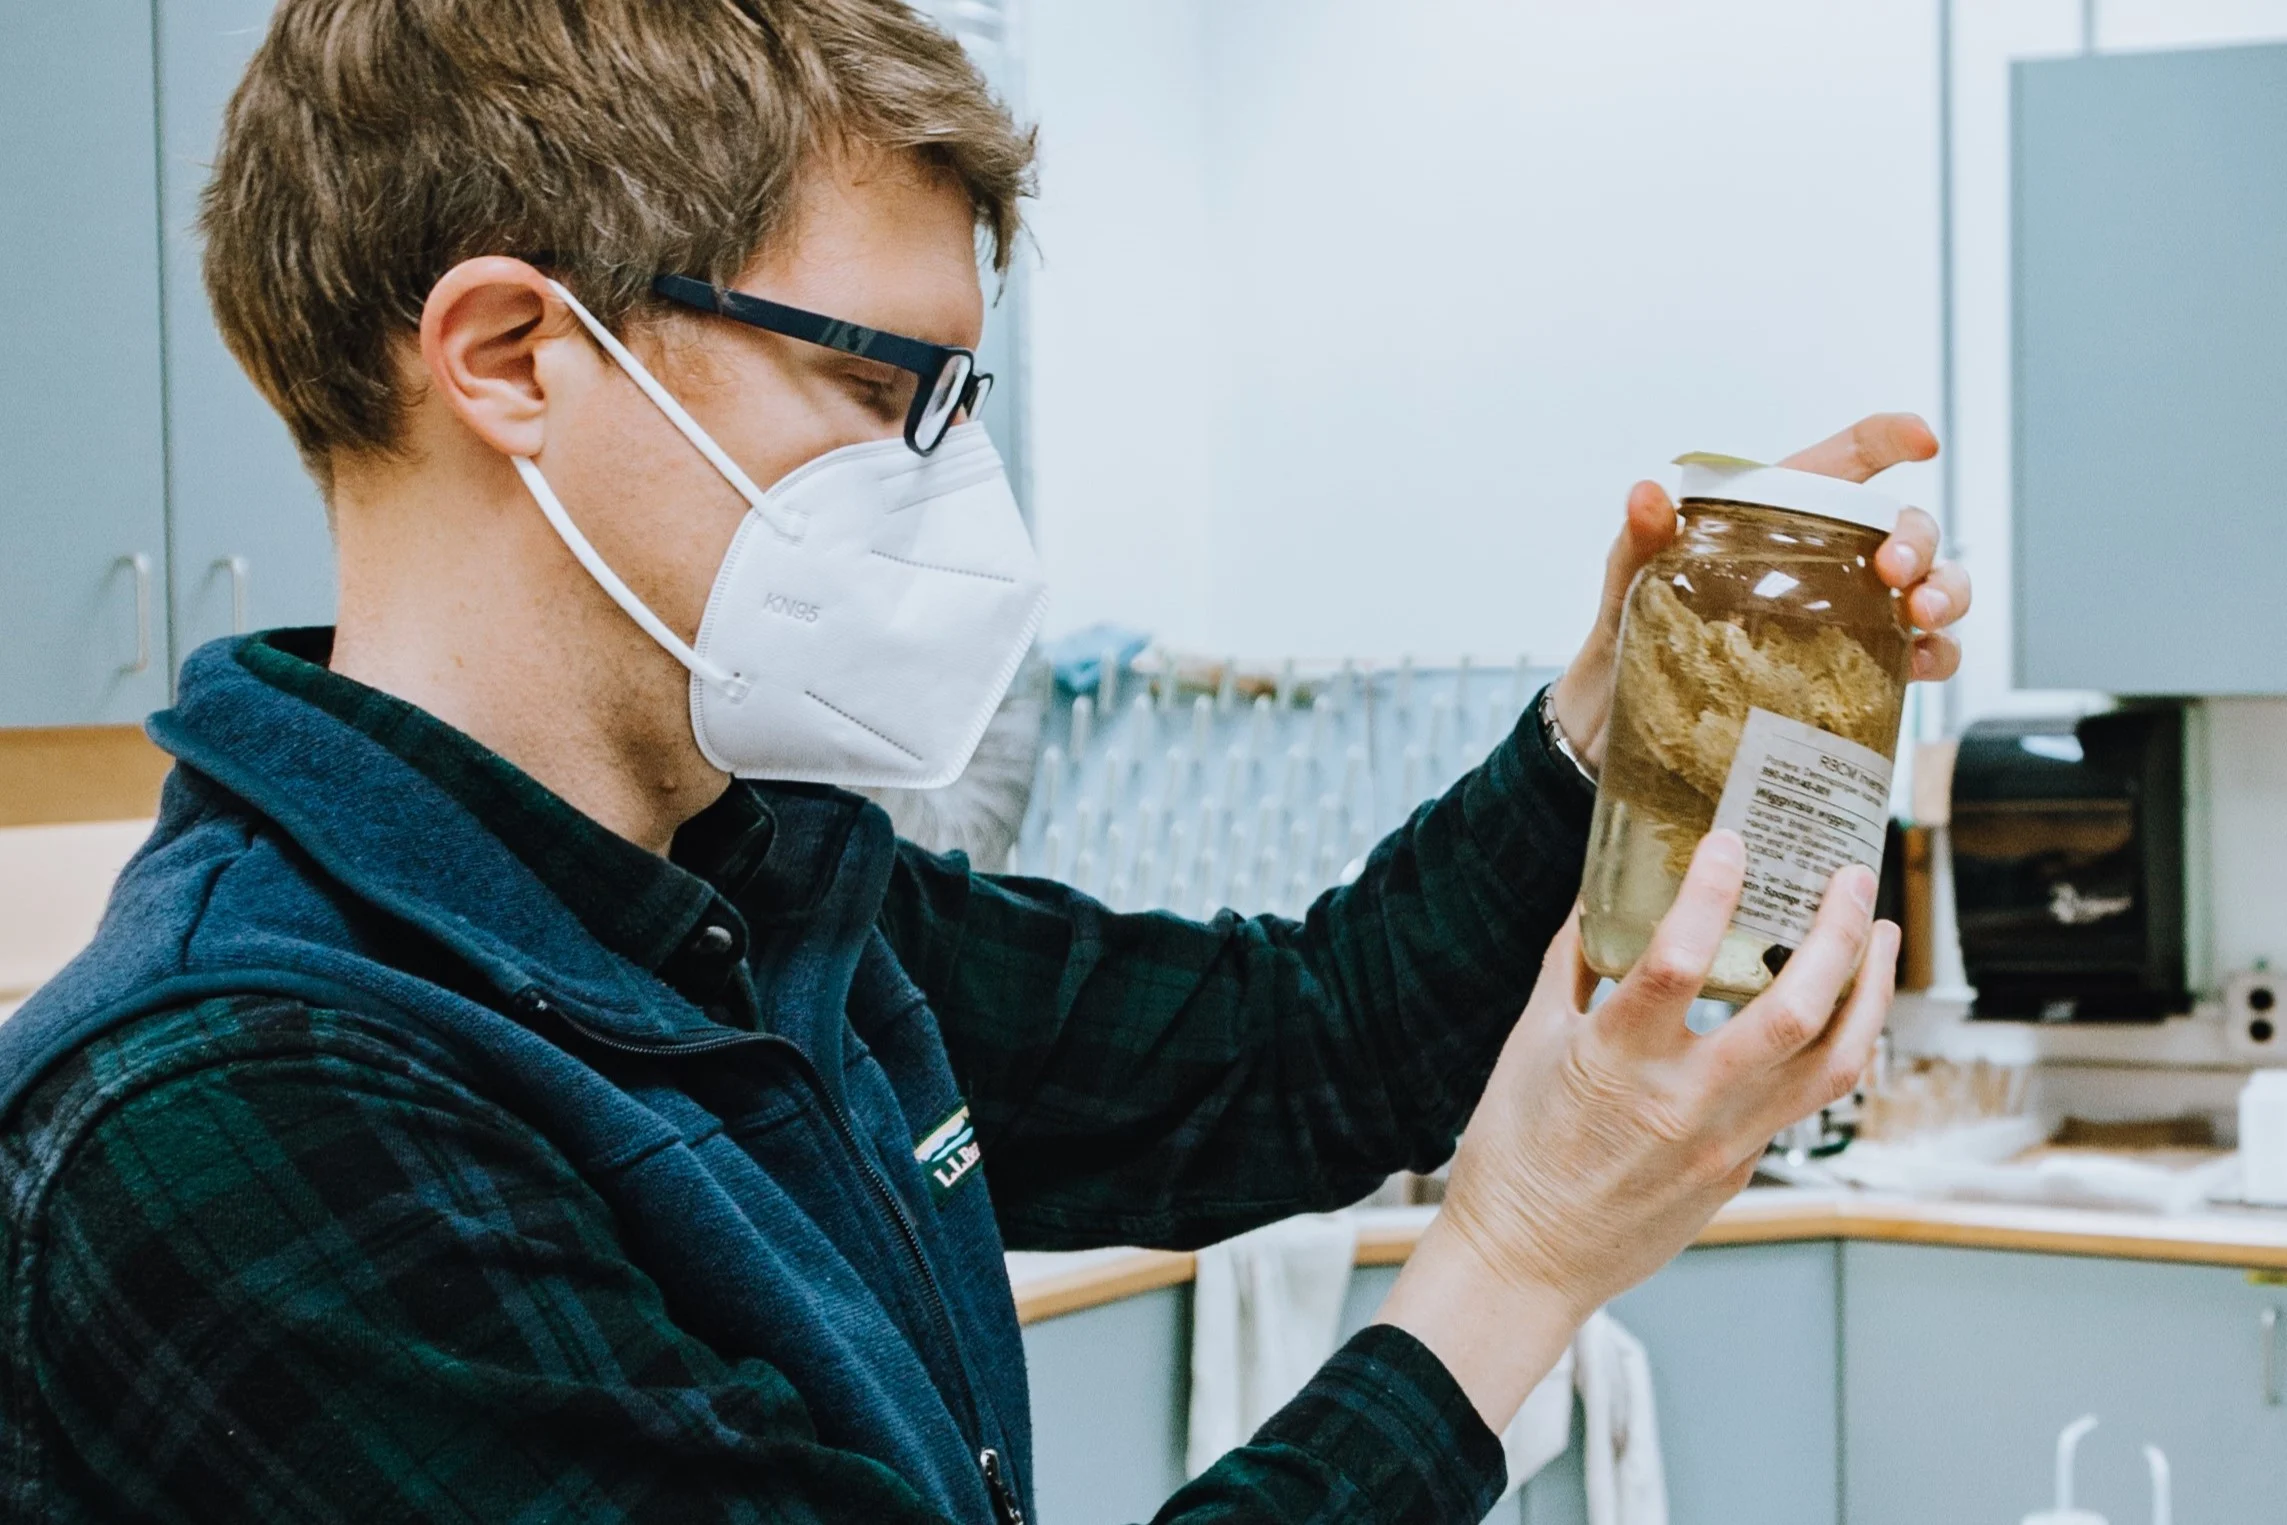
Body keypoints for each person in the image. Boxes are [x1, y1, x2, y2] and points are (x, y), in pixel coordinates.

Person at [0, 3, 1970, 1521]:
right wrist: (1514, 1269)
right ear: (515, 353)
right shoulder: (232, 1124)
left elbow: (1296, 1050)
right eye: (878, 389)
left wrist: (1612, 720)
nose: (947, 493)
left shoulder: (750, 888)